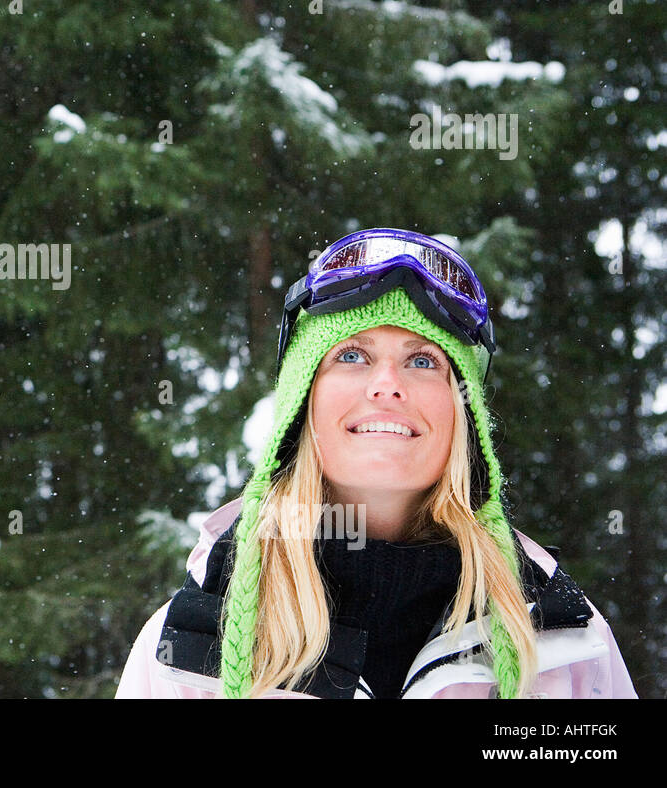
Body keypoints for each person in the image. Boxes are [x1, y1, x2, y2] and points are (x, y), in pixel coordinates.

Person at [116, 228, 638, 699]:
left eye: (421, 361)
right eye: (351, 356)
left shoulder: (565, 641)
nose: (387, 383)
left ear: (465, 414)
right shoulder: (189, 650)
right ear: (302, 406)